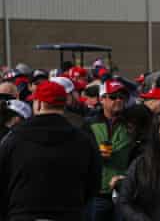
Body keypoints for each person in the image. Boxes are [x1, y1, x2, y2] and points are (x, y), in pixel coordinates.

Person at [0, 81, 102, 220]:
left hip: (23, 214)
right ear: (64, 103)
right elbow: (94, 182)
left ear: (39, 104)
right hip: (68, 214)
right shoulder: (83, 139)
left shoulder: (14, 138)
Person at [85, 80, 133, 221]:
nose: (118, 100)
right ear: (102, 99)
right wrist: (95, 155)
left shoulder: (132, 124)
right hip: (98, 194)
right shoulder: (89, 123)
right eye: (113, 97)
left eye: (121, 97)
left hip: (124, 192)